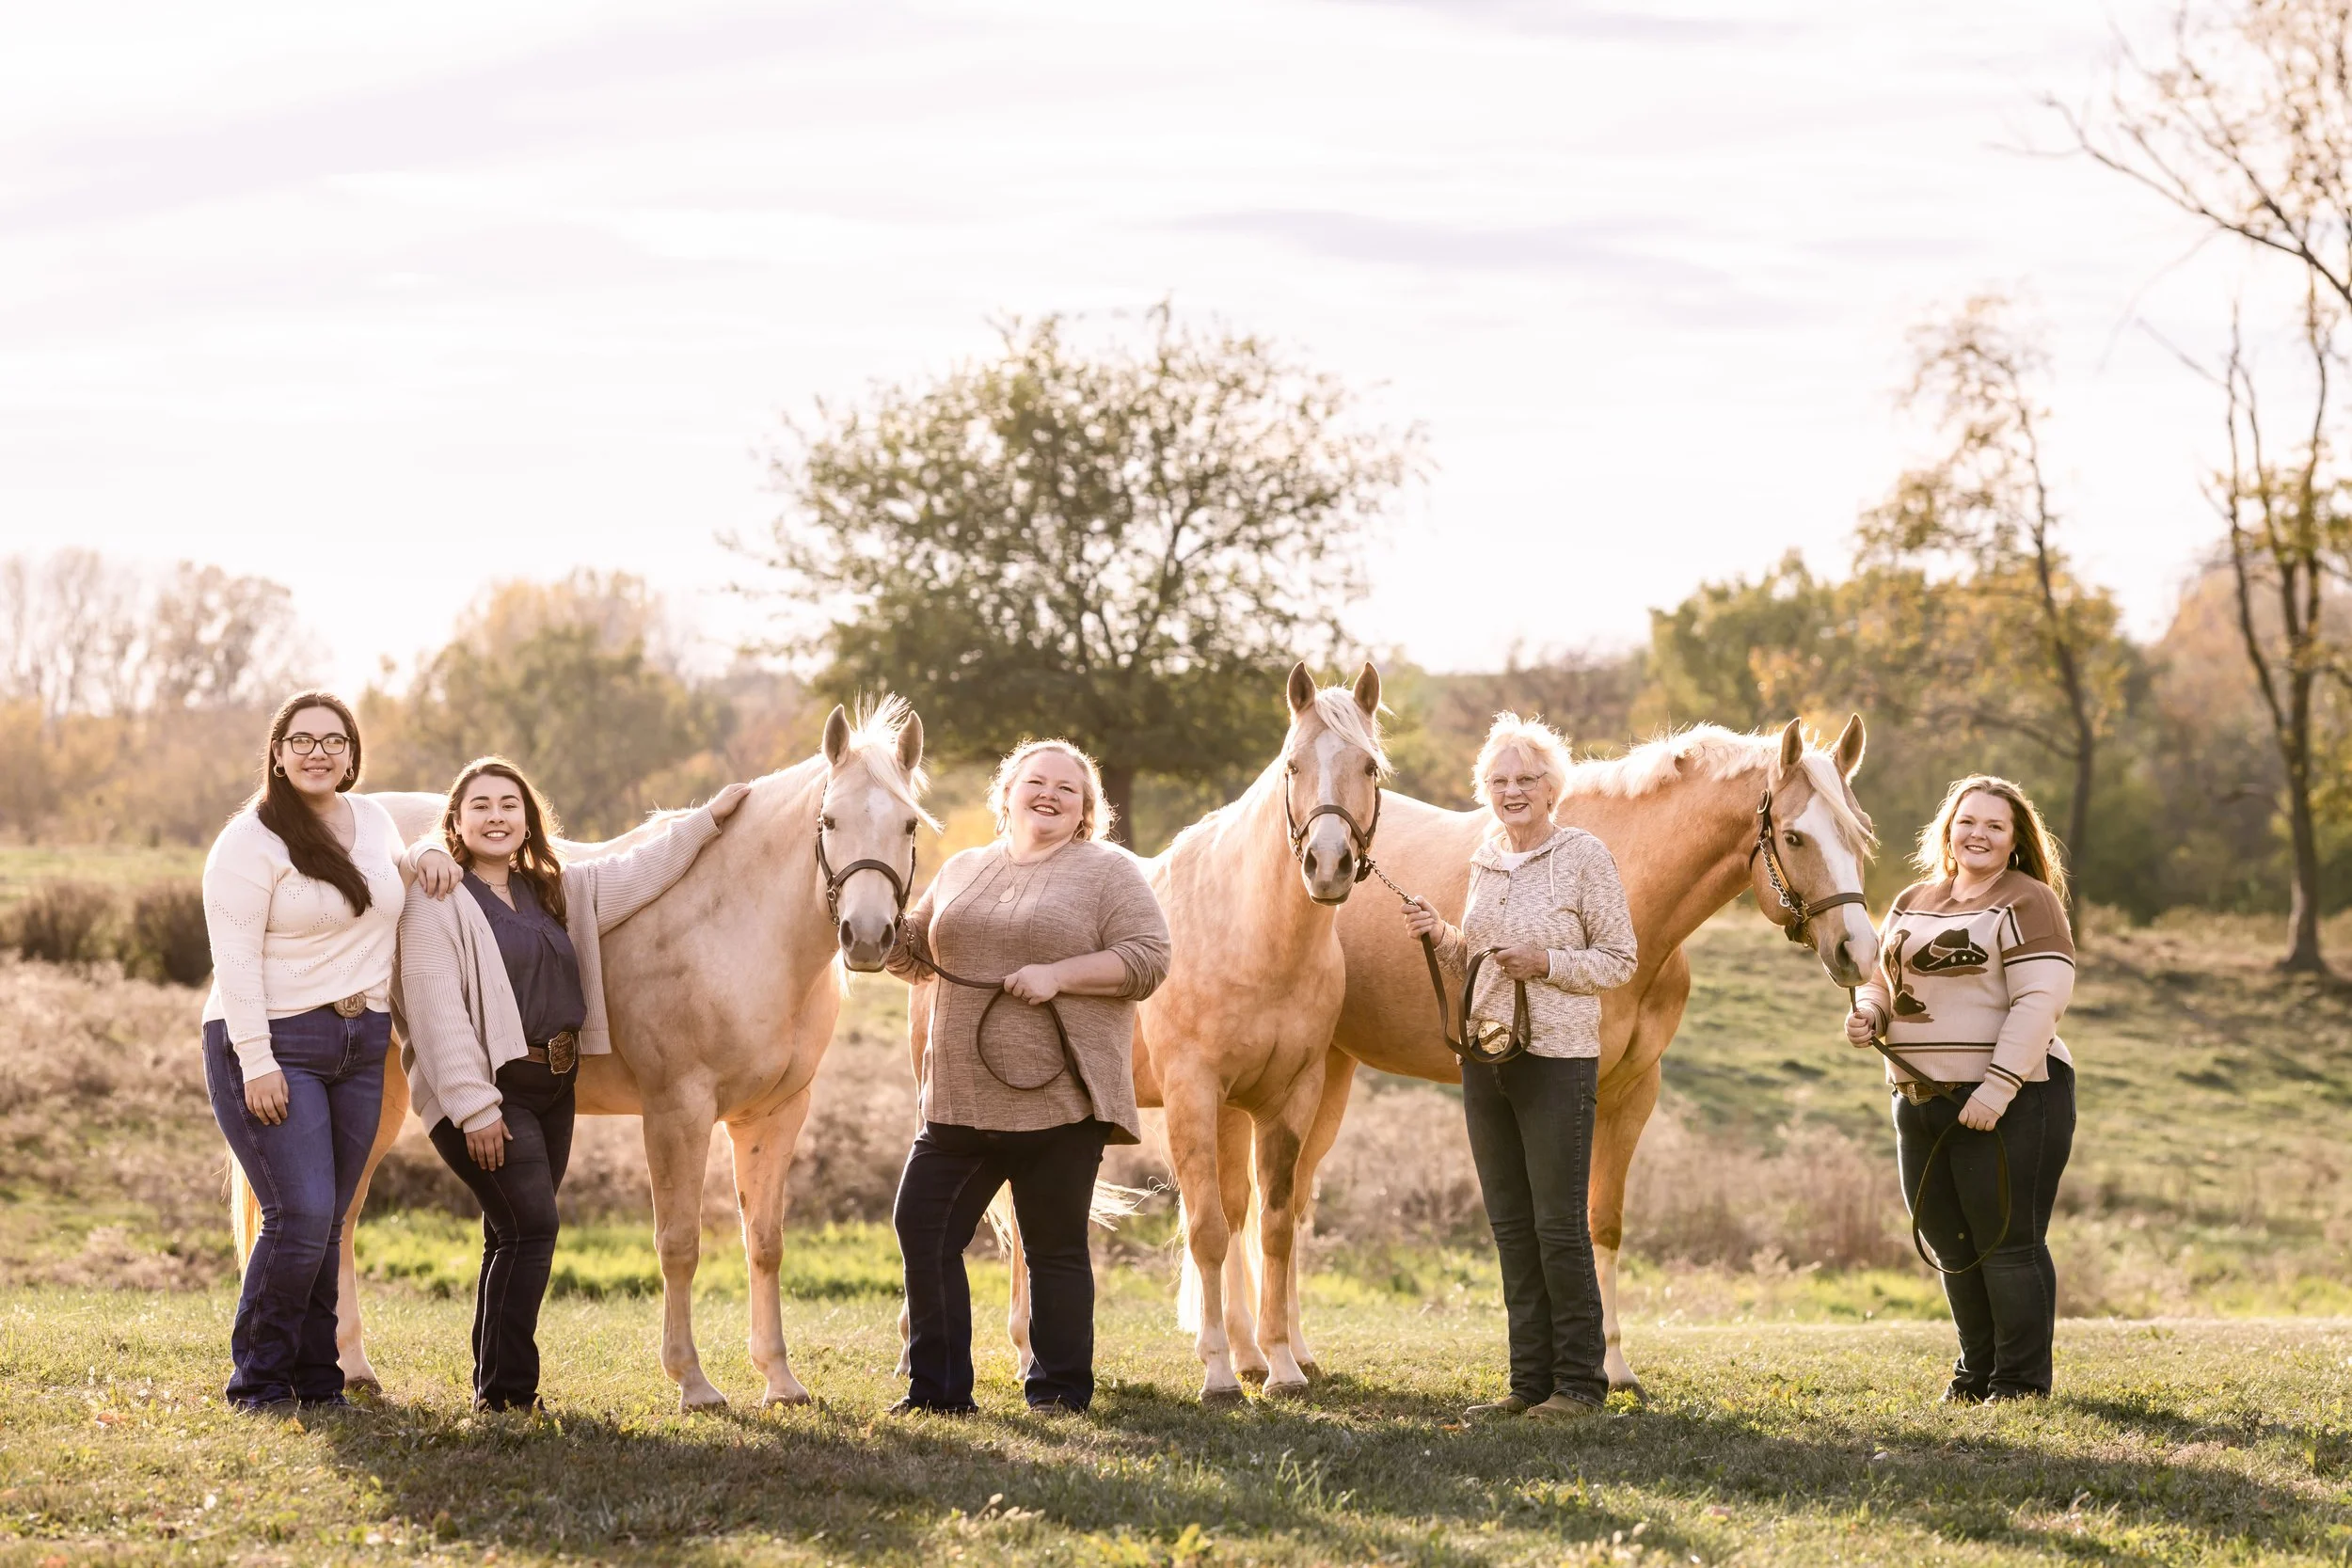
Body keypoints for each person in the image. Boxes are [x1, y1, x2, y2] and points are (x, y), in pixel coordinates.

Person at [394, 757, 749, 1413]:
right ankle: (509, 1395)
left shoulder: (555, 889)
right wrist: (474, 1110)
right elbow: (436, 1011)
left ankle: (493, 1386)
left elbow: (638, 870)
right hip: (484, 1089)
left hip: (553, 1084)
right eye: (481, 805)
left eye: (509, 804)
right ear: (456, 819)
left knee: (509, 1231)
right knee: (532, 1224)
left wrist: (707, 819)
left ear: (528, 819)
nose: (496, 816)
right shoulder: (436, 899)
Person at [885, 739, 1169, 1416]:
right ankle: (940, 1390)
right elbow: (916, 953)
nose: (1048, 793)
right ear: (1006, 793)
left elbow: (1151, 958)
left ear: (1085, 811)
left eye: (1067, 789)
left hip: (1061, 1097)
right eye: (1035, 781)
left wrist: (1058, 976)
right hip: (957, 1093)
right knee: (922, 1226)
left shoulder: (1106, 872)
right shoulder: (961, 868)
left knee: (1053, 1248)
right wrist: (875, 923)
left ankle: (1059, 1390)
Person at [202, 690, 461, 1412]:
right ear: (278, 755)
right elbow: (235, 960)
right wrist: (256, 1060)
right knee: (301, 1211)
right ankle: (257, 1378)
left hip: (360, 1039)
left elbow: (402, 860)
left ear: (352, 755)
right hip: (271, 1036)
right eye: (303, 739)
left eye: (334, 740)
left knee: (334, 1211)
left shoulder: (371, 820)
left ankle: (319, 1378)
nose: (319, 751)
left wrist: (434, 849)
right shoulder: (249, 842)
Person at [1402, 712, 1637, 1421]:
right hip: (1486, 1055)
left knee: (1558, 1223)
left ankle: (1580, 1385)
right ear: (1485, 789)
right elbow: (1477, 956)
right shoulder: (1485, 858)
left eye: (1526, 778)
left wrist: (1548, 963)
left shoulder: (1585, 856)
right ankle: (1528, 1384)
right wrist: (1439, 933)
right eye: (1499, 779)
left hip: (1558, 1060)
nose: (1512, 790)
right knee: (1510, 1223)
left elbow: (1619, 959)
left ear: (1551, 786)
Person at [1846, 775, 2076, 1403]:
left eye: (1994, 826)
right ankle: (1976, 1376)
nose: (1978, 834)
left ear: (2014, 840)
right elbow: (1881, 979)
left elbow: (2041, 1000)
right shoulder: (1913, 898)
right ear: (1947, 828)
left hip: (2012, 1100)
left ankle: (2021, 1383)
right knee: (1953, 1245)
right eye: (1967, 821)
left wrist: (1996, 1090)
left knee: (2006, 1244)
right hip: (1917, 1102)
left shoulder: (2029, 902)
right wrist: (1870, 1012)